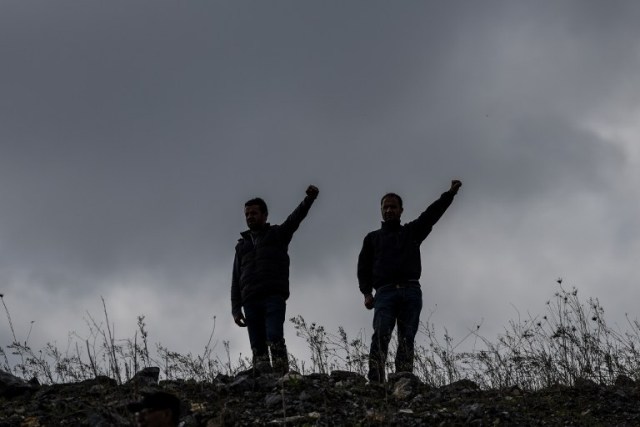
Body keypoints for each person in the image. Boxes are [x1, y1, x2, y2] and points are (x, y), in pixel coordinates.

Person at [357, 180, 462, 383]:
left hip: (411, 290)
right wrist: (366, 293)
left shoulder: (411, 232)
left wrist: (449, 194)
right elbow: (363, 268)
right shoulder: (372, 239)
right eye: (385, 207)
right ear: (381, 210)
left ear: (401, 210)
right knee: (381, 334)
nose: (389, 210)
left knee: (407, 338)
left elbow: (432, 215)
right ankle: (376, 381)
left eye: (393, 207)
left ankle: (402, 379)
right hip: (384, 292)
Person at [231, 185, 319, 374]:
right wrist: (236, 309)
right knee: (257, 344)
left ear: (265, 215)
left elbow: (295, 219)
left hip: (273, 297)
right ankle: (262, 380)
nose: (249, 217)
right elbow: (236, 278)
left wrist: (309, 200)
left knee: (274, 336)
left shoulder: (278, 234)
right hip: (250, 300)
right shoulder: (241, 246)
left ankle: (281, 375)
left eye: (254, 213)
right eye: (247, 214)